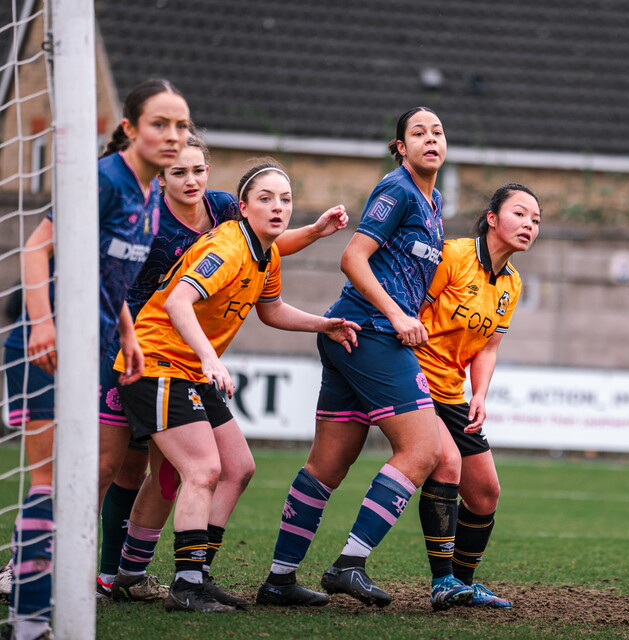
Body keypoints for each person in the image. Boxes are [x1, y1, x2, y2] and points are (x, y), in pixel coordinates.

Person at [98, 138, 349, 604]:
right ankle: (181, 585)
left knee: (237, 468)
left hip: (186, 369)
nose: (278, 208)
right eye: (266, 199)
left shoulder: (265, 253)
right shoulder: (229, 246)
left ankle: (188, 574)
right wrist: (212, 359)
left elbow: (270, 310)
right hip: (154, 362)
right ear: (242, 207)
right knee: (195, 469)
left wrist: (324, 324)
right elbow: (177, 302)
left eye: (285, 199)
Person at [1, 77, 190, 640]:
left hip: (97, 347)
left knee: (76, 481)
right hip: (47, 346)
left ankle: (37, 610)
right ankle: (29, 619)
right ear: (130, 128)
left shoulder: (154, 195)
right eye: (160, 123)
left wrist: (128, 336)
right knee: (51, 482)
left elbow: (113, 280)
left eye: (181, 125)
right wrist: (42, 324)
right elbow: (36, 247)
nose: (173, 136)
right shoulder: (106, 180)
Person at [256, 106, 452, 610]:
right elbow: (353, 256)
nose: (430, 138)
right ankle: (350, 563)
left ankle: (279, 580)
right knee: (424, 452)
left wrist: (414, 312)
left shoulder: (434, 202)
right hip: (372, 332)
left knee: (328, 464)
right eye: (418, 133)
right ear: (400, 147)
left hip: (352, 332)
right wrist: (398, 316)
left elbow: (404, 271)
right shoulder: (398, 190)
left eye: (437, 132)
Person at [416, 183, 540, 610]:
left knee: (486, 492)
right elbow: (411, 313)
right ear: (492, 218)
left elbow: (488, 346)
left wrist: (480, 393)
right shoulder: (452, 256)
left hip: (453, 392)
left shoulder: (512, 283)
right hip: (415, 384)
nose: (529, 224)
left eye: (536, 220)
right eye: (520, 214)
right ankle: (442, 581)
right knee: (447, 464)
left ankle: (464, 584)